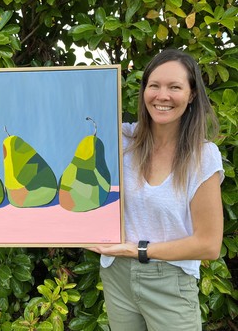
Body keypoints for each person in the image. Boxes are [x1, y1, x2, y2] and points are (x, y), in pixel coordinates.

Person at [88, 48, 224, 331]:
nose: (162, 96)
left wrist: (139, 250)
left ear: (192, 95)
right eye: (154, 86)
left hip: (170, 280)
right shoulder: (120, 140)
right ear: (144, 91)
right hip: (116, 274)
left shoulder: (203, 155)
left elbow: (209, 244)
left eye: (175, 87)